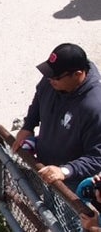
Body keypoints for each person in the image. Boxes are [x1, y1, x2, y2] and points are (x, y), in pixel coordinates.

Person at [12, 43, 101, 190]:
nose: (49, 79)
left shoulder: (95, 107)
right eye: (48, 74)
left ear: (78, 74)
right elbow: (39, 97)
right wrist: (28, 126)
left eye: (55, 77)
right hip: (44, 166)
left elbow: (96, 157)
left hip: (70, 182)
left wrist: (65, 171)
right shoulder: (52, 80)